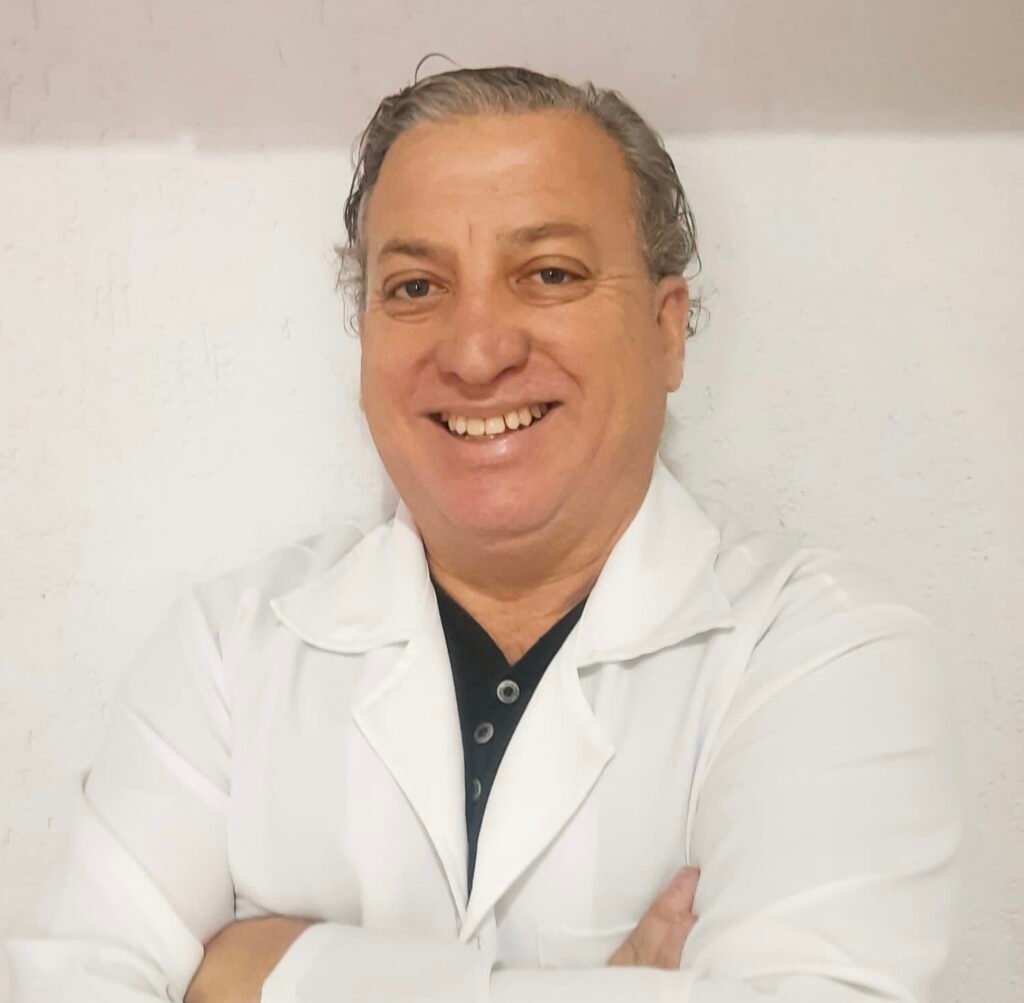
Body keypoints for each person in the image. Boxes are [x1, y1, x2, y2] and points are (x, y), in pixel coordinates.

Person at [1, 65, 962, 1003]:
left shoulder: (820, 651)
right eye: (416, 286)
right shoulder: (227, 652)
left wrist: (278, 973)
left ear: (668, 331)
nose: (474, 351)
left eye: (548, 273)